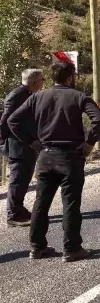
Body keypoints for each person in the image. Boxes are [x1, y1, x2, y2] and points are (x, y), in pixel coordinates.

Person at [8, 62, 100, 262]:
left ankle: (37, 248)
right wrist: (89, 144)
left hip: (45, 156)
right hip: (71, 157)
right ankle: (72, 249)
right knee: (70, 203)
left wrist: (32, 142)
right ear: (70, 78)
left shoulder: (37, 97)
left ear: (52, 78)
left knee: (41, 204)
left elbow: (12, 121)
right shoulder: (79, 96)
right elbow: (99, 120)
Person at [0, 69, 45, 227]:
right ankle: (13, 215)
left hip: (26, 144)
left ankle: (19, 209)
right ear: (34, 82)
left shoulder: (28, 95)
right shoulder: (17, 95)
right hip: (17, 146)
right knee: (17, 180)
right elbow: (7, 122)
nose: (43, 82)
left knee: (24, 178)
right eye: (42, 79)